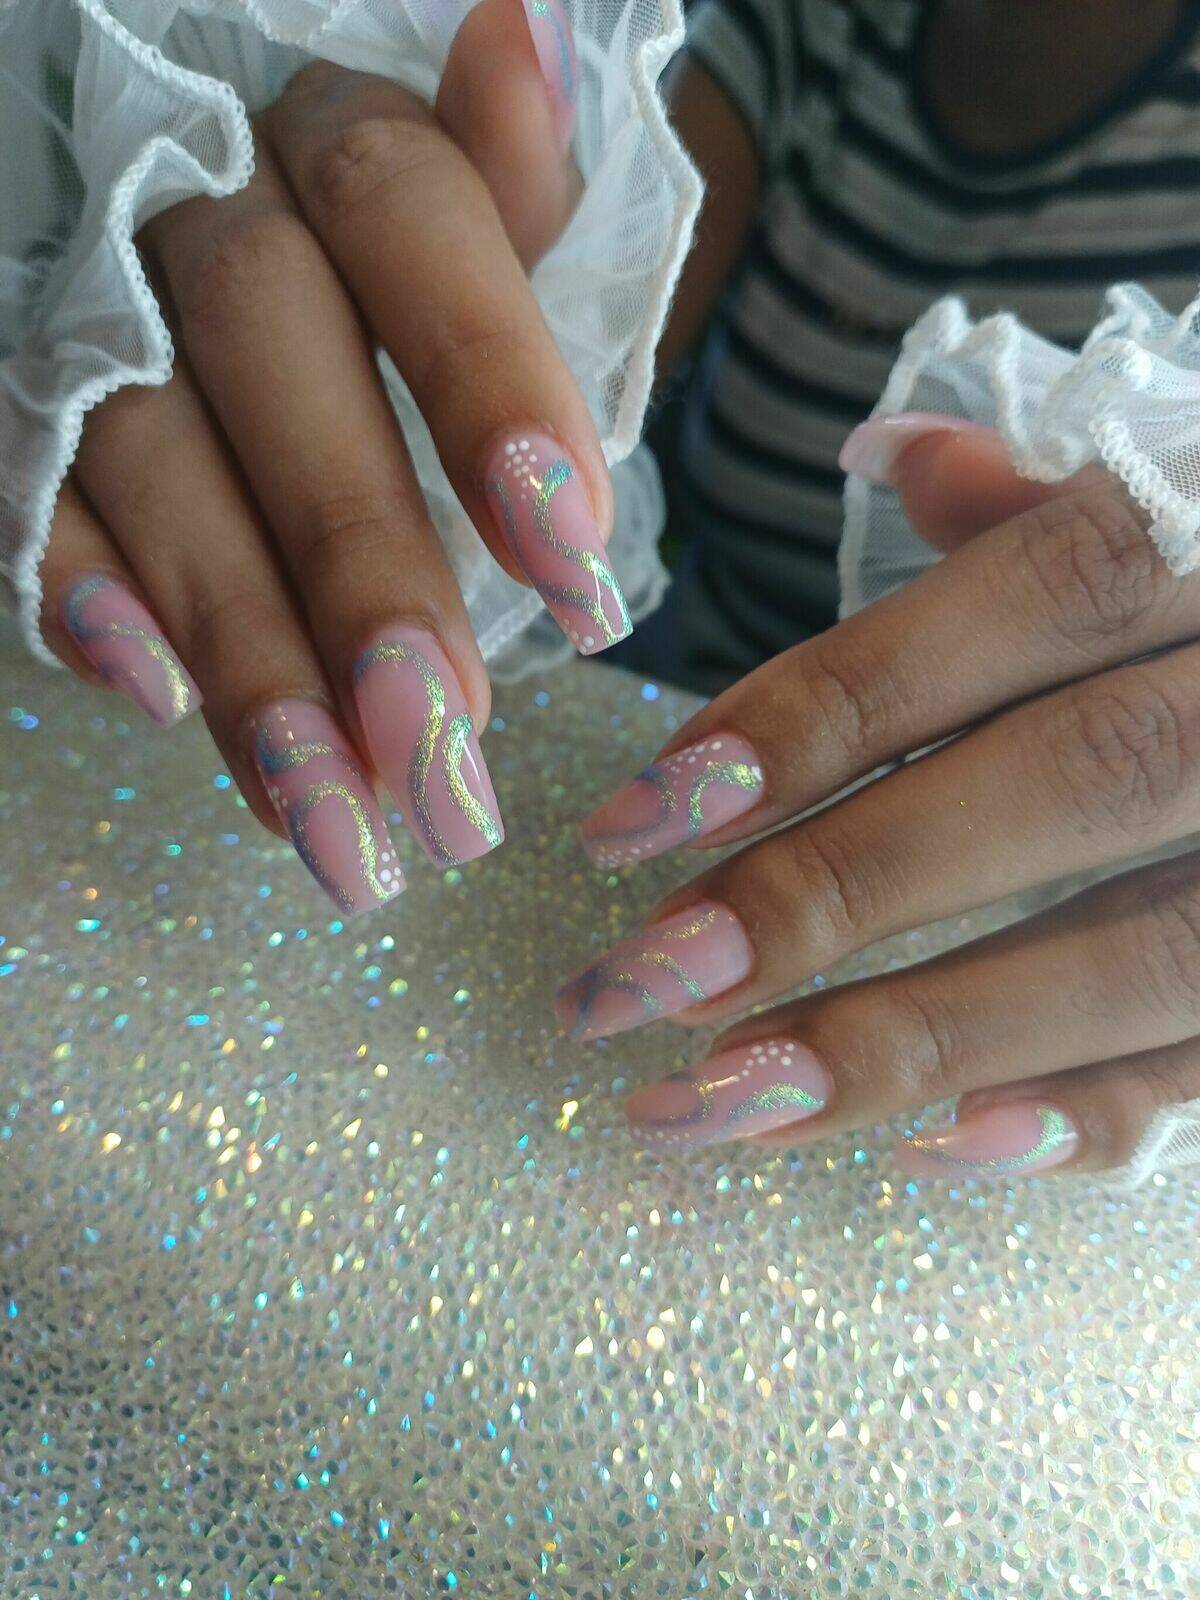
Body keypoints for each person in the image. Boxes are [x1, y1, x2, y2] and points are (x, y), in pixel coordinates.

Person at [4, 0, 1200, 1180]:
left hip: (1042, 981)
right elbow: (613, 321)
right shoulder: (812, 35)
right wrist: (460, 295)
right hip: (634, 763)